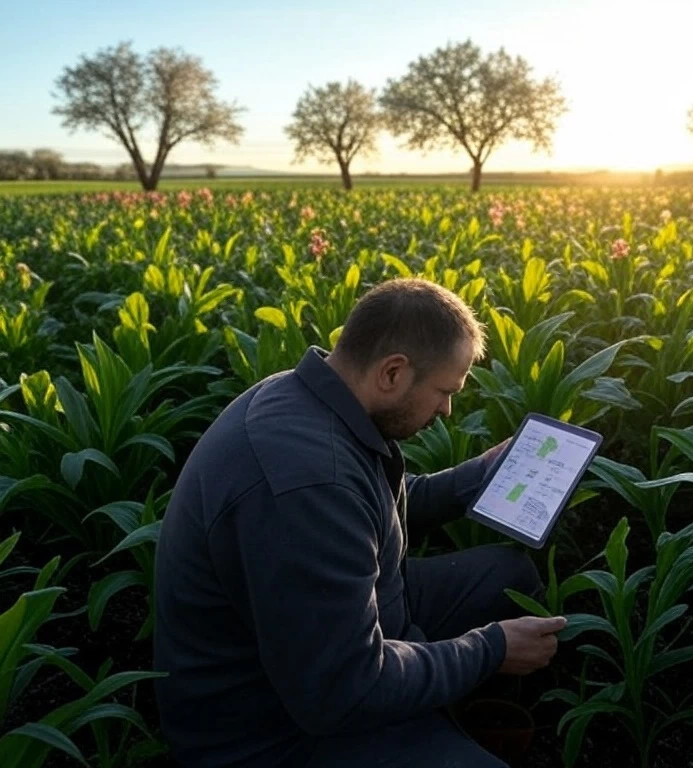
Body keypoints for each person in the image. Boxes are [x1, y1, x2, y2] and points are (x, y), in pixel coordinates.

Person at [153, 278, 567, 767]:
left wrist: (477, 475)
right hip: (272, 729)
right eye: (443, 391)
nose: (446, 410)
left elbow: (368, 506)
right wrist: (490, 650)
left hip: (343, 631)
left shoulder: (309, 399)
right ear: (393, 372)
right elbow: (344, 689)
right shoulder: (307, 483)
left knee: (507, 576)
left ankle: (446, 719)